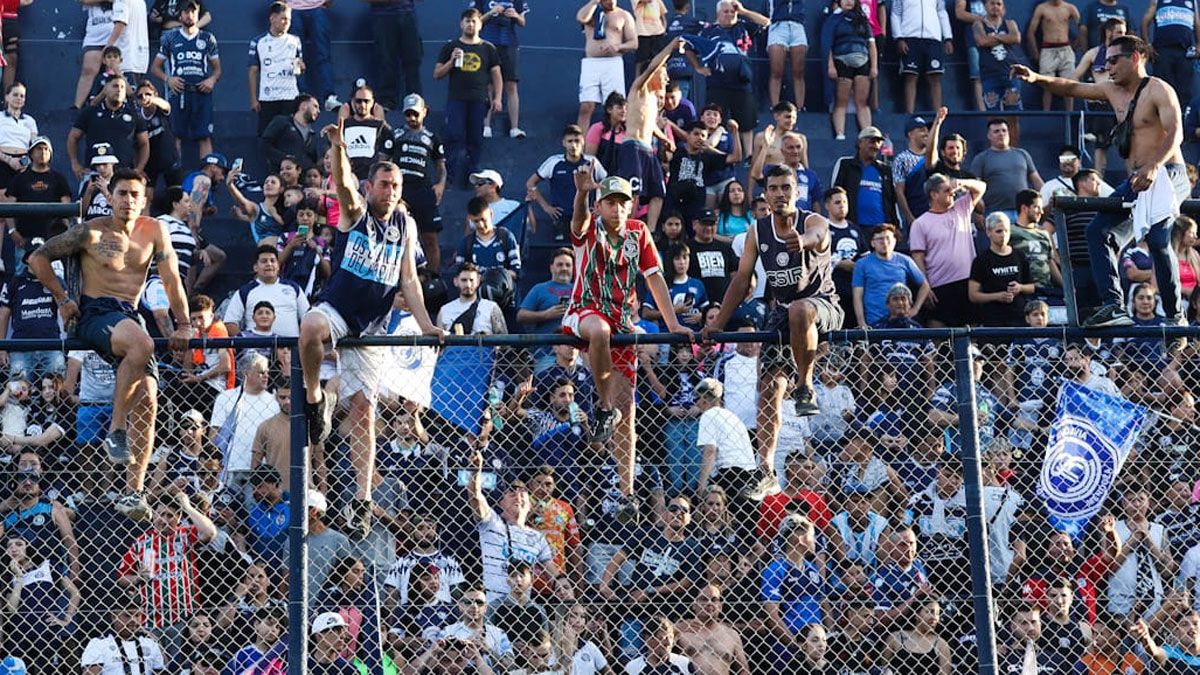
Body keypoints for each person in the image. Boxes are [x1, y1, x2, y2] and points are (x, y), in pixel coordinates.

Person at [298, 117, 442, 541]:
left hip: (374, 325)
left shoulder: (406, 225)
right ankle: (313, 399)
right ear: (371, 186)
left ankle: (361, 500)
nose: (390, 191)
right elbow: (342, 184)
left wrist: (427, 324)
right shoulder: (356, 213)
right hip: (340, 309)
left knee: (365, 412)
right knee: (309, 327)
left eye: (395, 185)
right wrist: (340, 148)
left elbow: (410, 281)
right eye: (383, 184)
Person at [28, 168, 189, 522]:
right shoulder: (91, 231)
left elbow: (172, 279)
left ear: (144, 199)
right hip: (95, 313)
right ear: (110, 197)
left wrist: (185, 324)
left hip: (129, 315)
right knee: (143, 344)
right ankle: (116, 428)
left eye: (135, 194)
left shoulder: (155, 231)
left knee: (149, 396)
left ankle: (134, 492)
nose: (129, 200)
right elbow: (37, 258)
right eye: (122, 194)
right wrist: (62, 298)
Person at [1013, 35, 1192, 342]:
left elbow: (1176, 133)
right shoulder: (1112, 89)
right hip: (1138, 180)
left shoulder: (1159, 89)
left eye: (1113, 60)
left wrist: (1153, 165)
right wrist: (1037, 77)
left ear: (1135, 58)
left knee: (1159, 237)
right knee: (1098, 231)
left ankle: (1176, 318)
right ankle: (1113, 304)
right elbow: (1072, 88)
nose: (1106, 66)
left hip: (1167, 172)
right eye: (1105, 60)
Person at [705, 165, 843, 497]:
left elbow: (820, 234)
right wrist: (717, 324)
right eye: (774, 188)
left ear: (797, 192)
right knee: (768, 390)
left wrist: (804, 241)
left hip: (821, 304)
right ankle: (765, 468)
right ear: (765, 194)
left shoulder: (811, 221)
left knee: (800, 309)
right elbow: (741, 279)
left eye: (786, 187)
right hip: (782, 314)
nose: (780, 193)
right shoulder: (757, 230)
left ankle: (805, 385)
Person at [562, 171, 690, 516]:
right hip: (585, 310)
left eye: (622, 202)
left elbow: (655, 277)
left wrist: (672, 321)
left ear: (631, 206)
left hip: (622, 320)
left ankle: (626, 492)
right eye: (610, 202)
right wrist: (580, 195)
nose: (617, 208)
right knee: (600, 332)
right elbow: (578, 221)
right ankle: (603, 409)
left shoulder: (639, 232)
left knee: (628, 409)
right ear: (599, 205)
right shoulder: (590, 226)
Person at [615, 37, 681, 234]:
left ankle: (649, 232)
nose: (666, 79)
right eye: (664, 74)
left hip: (647, 149)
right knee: (632, 191)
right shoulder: (639, 90)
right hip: (632, 146)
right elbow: (654, 65)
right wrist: (671, 46)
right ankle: (626, 228)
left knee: (658, 191)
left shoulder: (653, 100)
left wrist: (664, 138)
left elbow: (649, 123)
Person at [435, 9, 502, 189]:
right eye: (467, 21)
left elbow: (496, 75)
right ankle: (449, 177)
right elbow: (437, 74)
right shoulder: (451, 47)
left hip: (478, 101)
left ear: (480, 24)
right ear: (461, 23)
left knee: (475, 139)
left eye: (473, 21)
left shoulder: (488, 48)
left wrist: (498, 98)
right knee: (454, 136)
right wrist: (451, 61)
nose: (470, 24)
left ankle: (472, 177)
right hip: (456, 100)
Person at [909, 173, 988, 327]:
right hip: (939, 286)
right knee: (940, 338)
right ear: (934, 194)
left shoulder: (961, 208)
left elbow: (982, 187)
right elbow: (918, 258)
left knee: (971, 338)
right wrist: (925, 287)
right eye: (946, 190)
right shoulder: (920, 223)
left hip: (967, 283)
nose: (952, 192)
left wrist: (960, 182)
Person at [149, 0, 220, 158]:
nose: (190, 15)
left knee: (204, 136)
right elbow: (155, 68)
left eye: (193, 12)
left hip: (201, 92)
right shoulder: (170, 38)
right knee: (176, 135)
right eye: (186, 12)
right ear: (180, 15)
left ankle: (207, 177)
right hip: (179, 92)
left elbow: (217, 69)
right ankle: (176, 177)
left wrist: (212, 80)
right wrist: (169, 79)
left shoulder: (207, 38)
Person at [385, 93, 446, 273]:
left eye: (415, 114)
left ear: (424, 112)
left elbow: (441, 166)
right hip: (399, 192)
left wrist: (441, 184)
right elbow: (382, 161)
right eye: (408, 114)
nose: (411, 118)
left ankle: (433, 280)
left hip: (424, 191)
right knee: (394, 235)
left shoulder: (433, 138)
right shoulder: (394, 135)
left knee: (430, 238)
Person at [528, 125, 607, 241]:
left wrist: (600, 207)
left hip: (586, 218)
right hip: (562, 219)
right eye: (570, 141)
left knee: (587, 253)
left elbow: (606, 184)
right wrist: (546, 207)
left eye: (577, 141)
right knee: (563, 254)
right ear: (564, 143)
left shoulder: (592, 162)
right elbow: (530, 183)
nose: (573, 145)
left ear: (583, 141)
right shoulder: (554, 162)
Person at [67, 76, 149, 177]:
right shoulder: (90, 112)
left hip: (124, 174)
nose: (119, 90)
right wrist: (75, 164)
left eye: (122, 87)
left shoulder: (134, 115)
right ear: (106, 88)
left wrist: (139, 169)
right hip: (94, 174)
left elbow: (144, 143)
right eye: (115, 86)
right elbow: (73, 137)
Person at [574, 0, 638, 131]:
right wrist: (594, 3)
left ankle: (615, 141)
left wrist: (618, 46)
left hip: (613, 64)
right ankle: (582, 146)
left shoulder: (624, 15)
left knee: (617, 107)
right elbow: (580, 18)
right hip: (591, 64)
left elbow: (633, 43)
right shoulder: (590, 13)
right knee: (586, 106)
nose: (611, 2)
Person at [852, 224, 929, 327]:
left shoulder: (905, 260)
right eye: (879, 239)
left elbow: (924, 286)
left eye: (888, 238)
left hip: (902, 321)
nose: (884, 242)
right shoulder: (862, 264)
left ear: (895, 241)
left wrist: (915, 309)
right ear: (872, 243)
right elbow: (857, 295)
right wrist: (861, 322)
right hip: (874, 322)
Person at [223, 246, 309, 337]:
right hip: (256, 349)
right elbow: (230, 323)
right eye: (264, 261)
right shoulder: (244, 292)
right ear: (255, 267)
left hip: (290, 349)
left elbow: (308, 318)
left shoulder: (294, 288)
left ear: (278, 266)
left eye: (272, 261)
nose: (269, 264)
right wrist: (247, 345)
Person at [968, 213, 1035, 326]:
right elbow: (973, 295)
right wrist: (997, 296)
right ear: (989, 232)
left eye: (1006, 231)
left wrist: (1020, 288)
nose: (1003, 235)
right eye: (999, 231)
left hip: (1018, 317)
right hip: (994, 319)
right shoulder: (981, 260)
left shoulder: (1019, 255)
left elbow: (1032, 287)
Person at [968, 118, 1043, 219]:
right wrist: (978, 213)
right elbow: (974, 187)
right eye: (996, 131)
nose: (1001, 134)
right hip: (995, 213)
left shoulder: (1023, 154)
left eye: (1004, 130)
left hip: (1024, 213)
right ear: (989, 136)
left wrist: (1045, 199)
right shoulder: (981, 158)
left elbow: (1036, 180)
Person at [248, 2, 303, 136]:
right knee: (267, 136)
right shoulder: (258, 42)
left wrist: (301, 68)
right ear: (272, 18)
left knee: (289, 135)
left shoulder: (295, 41)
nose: (286, 23)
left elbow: (298, 69)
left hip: (290, 97)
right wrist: (253, 99)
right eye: (283, 18)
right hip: (268, 98)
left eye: (289, 20)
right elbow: (252, 71)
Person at [825, 0, 878, 140]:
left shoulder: (863, 20)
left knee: (862, 101)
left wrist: (874, 66)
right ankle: (840, 134)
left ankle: (867, 134)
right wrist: (831, 65)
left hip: (863, 62)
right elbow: (827, 45)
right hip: (842, 61)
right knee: (841, 101)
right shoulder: (834, 20)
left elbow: (872, 45)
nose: (848, 1)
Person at [830, 127, 898, 232]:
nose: (875, 145)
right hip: (853, 227)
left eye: (878, 142)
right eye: (872, 141)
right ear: (860, 143)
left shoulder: (885, 170)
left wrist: (895, 226)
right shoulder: (846, 164)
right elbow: (834, 194)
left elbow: (892, 201)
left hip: (880, 230)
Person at [476, 0, 528, 139]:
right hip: (487, 43)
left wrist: (515, 15)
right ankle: (486, 126)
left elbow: (523, 22)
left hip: (509, 44)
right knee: (488, 85)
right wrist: (491, 12)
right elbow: (476, 21)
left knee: (511, 85)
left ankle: (514, 128)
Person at [891, 0, 954, 113]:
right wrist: (899, 37)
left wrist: (948, 37)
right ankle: (909, 114)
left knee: (935, 76)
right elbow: (895, 14)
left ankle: (938, 115)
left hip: (933, 38)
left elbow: (941, 12)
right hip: (910, 37)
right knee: (911, 75)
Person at [80, 600, 167, 675]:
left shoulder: (150, 642)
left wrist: (157, 642)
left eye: (137, 615)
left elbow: (161, 670)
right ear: (114, 617)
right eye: (127, 615)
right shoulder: (99, 644)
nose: (133, 620)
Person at [1142, 0, 1199, 108]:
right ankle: (1161, 121)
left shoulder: (1192, 1)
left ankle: (1183, 121)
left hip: (1185, 52)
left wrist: (1199, 44)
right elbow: (1145, 21)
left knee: (1184, 91)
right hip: (1163, 51)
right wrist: (1148, 45)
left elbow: (1197, 22)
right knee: (1163, 89)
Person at [1028, 0, 1080, 111]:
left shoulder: (1070, 8)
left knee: (1069, 83)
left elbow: (1083, 28)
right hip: (1048, 49)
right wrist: (1035, 53)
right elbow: (1031, 31)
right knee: (1047, 84)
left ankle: (1069, 114)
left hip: (1065, 48)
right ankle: (1046, 113)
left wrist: (1075, 45)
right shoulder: (1042, 8)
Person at [974, 0, 1024, 113]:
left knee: (1013, 113)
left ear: (1003, 8)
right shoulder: (978, 24)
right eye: (992, 3)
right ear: (985, 6)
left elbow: (1015, 38)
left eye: (998, 4)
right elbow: (981, 41)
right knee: (992, 114)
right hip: (989, 75)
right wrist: (1005, 38)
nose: (995, 6)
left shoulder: (1010, 23)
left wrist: (993, 37)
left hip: (1011, 73)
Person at [437, 262, 508, 335]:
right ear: (456, 281)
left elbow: (503, 341)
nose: (468, 285)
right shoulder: (444, 310)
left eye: (471, 280)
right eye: (464, 280)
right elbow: (439, 343)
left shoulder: (491, 307)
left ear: (478, 281)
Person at [259, 94, 319, 171]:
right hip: (280, 177)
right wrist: (285, 159)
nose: (318, 111)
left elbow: (313, 158)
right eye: (315, 106)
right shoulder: (282, 121)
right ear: (303, 106)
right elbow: (264, 145)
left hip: (302, 180)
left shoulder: (312, 134)